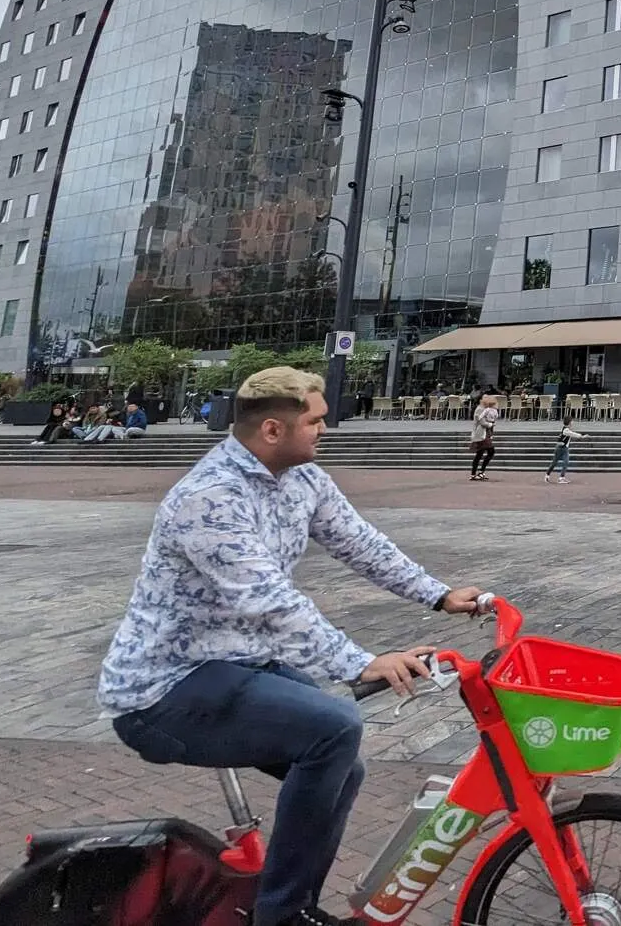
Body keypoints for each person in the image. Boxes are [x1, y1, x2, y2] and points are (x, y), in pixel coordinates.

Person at [99, 366, 483, 926]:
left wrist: (440, 595)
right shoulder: (208, 499)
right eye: (316, 420)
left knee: (342, 762)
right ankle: (282, 916)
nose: (326, 429)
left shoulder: (302, 480)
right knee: (333, 727)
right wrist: (360, 661)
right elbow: (270, 601)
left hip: (239, 665)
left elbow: (361, 543)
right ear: (273, 430)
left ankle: (291, 903)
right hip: (165, 689)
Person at [468, 394, 499, 480]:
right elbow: (482, 422)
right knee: (489, 451)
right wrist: (491, 424)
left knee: (480, 454)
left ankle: (476, 473)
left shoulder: (486, 409)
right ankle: (479, 472)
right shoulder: (480, 409)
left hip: (485, 434)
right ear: (481, 400)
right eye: (485, 398)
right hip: (481, 434)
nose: (487, 399)